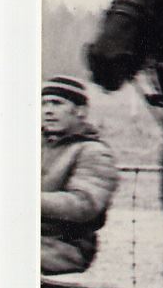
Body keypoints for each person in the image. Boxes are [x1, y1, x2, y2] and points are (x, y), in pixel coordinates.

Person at [41, 75, 120, 275]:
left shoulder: (93, 152)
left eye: (57, 103)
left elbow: (84, 205)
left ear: (80, 111)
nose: (48, 110)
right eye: (44, 103)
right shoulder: (32, 145)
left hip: (63, 246)